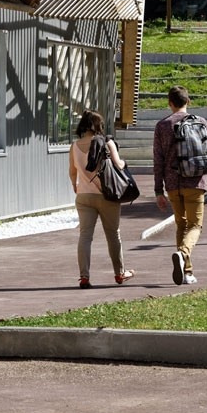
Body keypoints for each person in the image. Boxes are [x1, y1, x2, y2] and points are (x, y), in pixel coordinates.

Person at [153, 85, 207, 285]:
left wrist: (158, 190)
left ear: (170, 103)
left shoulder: (162, 126)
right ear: (188, 101)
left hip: (172, 184)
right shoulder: (200, 122)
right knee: (195, 225)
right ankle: (183, 255)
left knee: (181, 224)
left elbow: (158, 160)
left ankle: (187, 271)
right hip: (195, 181)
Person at [68, 110, 134, 288]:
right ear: (99, 125)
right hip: (107, 195)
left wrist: (76, 185)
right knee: (113, 234)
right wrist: (125, 163)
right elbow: (119, 164)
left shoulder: (74, 146)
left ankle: (84, 276)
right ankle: (120, 273)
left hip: (83, 196)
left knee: (85, 236)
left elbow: (72, 171)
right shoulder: (107, 142)